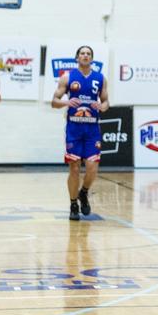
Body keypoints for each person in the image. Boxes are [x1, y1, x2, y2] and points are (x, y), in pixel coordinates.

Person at [51, 46, 109, 221]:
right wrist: (67, 103)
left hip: (92, 129)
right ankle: (73, 203)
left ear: (92, 58)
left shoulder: (100, 78)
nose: (85, 56)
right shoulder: (67, 77)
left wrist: (102, 106)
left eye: (88, 54)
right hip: (74, 129)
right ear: (77, 57)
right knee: (74, 168)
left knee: (92, 168)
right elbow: (54, 101)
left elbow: (106, 102)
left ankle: (83, 192)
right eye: (82, 53)